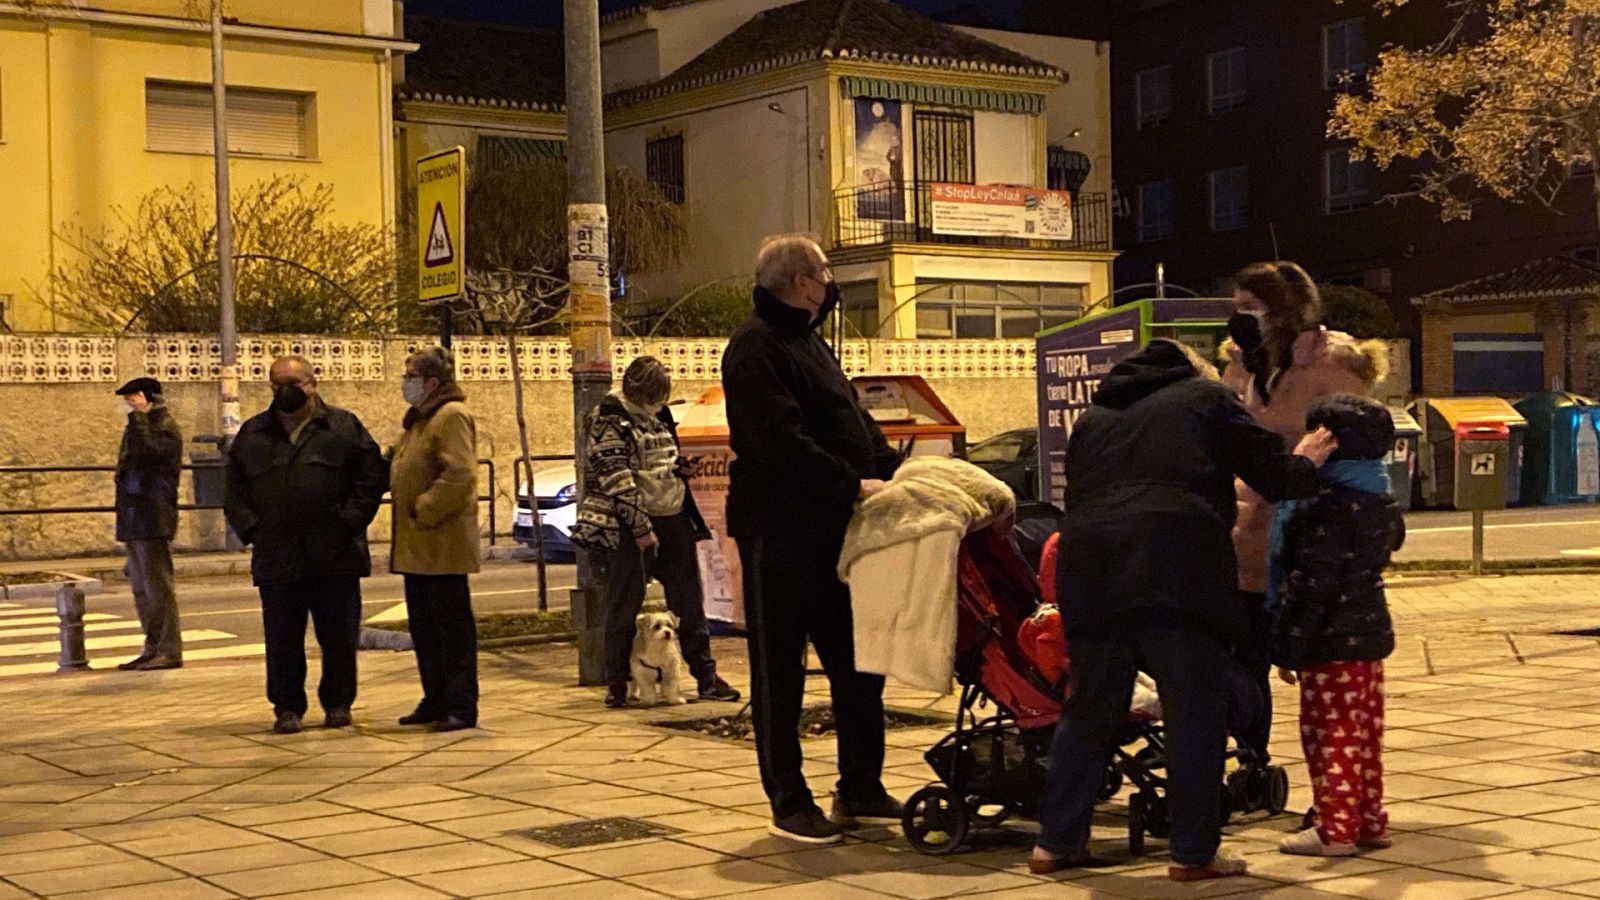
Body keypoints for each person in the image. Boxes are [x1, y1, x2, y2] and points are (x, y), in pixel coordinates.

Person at [1032, 339, 1337, 882]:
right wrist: (1307, 459)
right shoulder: (1205, 397)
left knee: (1088, 711)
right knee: (1194, 712)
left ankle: (1054, 844)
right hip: (1176, 567)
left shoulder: (1095, 417)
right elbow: (1274, 477)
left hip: (1090, 569)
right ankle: (1192, 854)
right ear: (1192, 369)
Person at [723, 234, 904, 845]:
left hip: (834, 531)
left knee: (857, 663)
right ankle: (789, 799)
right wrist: (852, 482)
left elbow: (849, 414)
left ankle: (860, 785)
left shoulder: (808, 339)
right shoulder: (755, 347)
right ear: (801, 281)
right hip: (781, 530)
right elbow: (779, 440)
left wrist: (889, 468)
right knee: (780, 669)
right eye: (825, 272)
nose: (832, 282)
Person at [1223, 261, 1385, 762]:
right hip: (1240, 538)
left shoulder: (1333, 368)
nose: (1241, 319)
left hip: (1304, 541)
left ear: (1286, 311)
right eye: (1238, 309)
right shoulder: (1241, 364)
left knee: (1318, 674)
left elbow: (1351, 450)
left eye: (1252, 309)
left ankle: (1338, 791)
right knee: (1241, 661)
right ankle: (1252, 764)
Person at [224, 356, 387, 735]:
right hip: (278, 556)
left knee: (339, 637)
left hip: (335, 554)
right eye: (277, 383)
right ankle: (287, 707)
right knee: (282, 639)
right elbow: (234, 490)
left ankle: (338, 703)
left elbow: (370, 480)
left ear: (313, 384)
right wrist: (254, 531)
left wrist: (348, 523)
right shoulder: (254, 433)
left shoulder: (344, 428)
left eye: (293, 383)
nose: (285, 390)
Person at [1271, 395, 1402, 857]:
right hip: (1368, 635)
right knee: (1363, 735)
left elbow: (1312, 585)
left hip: (1330, 641)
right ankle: (1368, 820)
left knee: (1330, 737)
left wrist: (1286, 648)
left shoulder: (1323, 508)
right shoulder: (1379, 498)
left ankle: (1335, 828)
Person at [570, 355, 740, 709]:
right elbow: (617, 477)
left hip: (673, 515)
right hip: (632, 526)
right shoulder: (607, 420)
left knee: (689, 603)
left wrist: (680, 467)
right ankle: (618, 682)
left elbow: (662, 459)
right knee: (623, 606)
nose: (659, 402)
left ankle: (705, 676)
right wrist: (641, 528)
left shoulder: (658, 416)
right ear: (639, 391)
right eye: (654, 395)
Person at [390, 347, 481, 732]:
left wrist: (424, 508)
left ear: (431, 382)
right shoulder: (420, 420)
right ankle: (436, 697)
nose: (405, 382)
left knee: (451, 631)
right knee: (425, 630)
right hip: (417, 546)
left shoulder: (451, 416)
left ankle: (460, 705)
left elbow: (459, 473)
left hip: (441, 542)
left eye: (410, 375)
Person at [113, 377, 185, 671]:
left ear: (149, 397)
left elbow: (147, 455)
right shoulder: (140, 427)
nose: (129, 404)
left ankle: (168, 649)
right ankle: (153, 646)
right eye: (128, 400)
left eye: (134, 398)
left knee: (157, 587)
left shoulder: (163, 428)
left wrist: (140, 418)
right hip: (135, 516)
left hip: (152, 516)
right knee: (142, 588)